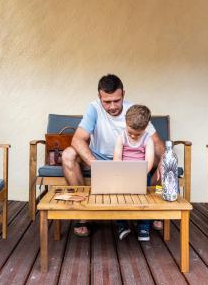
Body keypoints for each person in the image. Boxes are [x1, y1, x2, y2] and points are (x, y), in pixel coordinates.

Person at [62, 74, 164, 237]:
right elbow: (78, 139)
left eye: (116, 100)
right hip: (98, 157)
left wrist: (164, 160)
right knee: (68, 155)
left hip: (129, 160)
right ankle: (83, 216)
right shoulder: (94, 108)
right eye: (107, 102)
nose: (112, 106)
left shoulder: (134, 111)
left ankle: (153, 211)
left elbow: (157, 142)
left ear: (123, 93)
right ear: (99, 97)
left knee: (163, 160)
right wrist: (96, 164)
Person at [113, 104, 154, 241]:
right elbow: (117, 158)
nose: (133, 136)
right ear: (125, 122)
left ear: (146, 127)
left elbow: (149, 161)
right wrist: (121, 173)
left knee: (144, 199)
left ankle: (143, 226)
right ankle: (122, 225)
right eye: (130, 132)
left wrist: (141, 174)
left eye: (137, 134)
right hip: (123, 174)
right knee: (120, 199)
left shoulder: (147, 139)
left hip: (141, 174)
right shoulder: (121, 137)